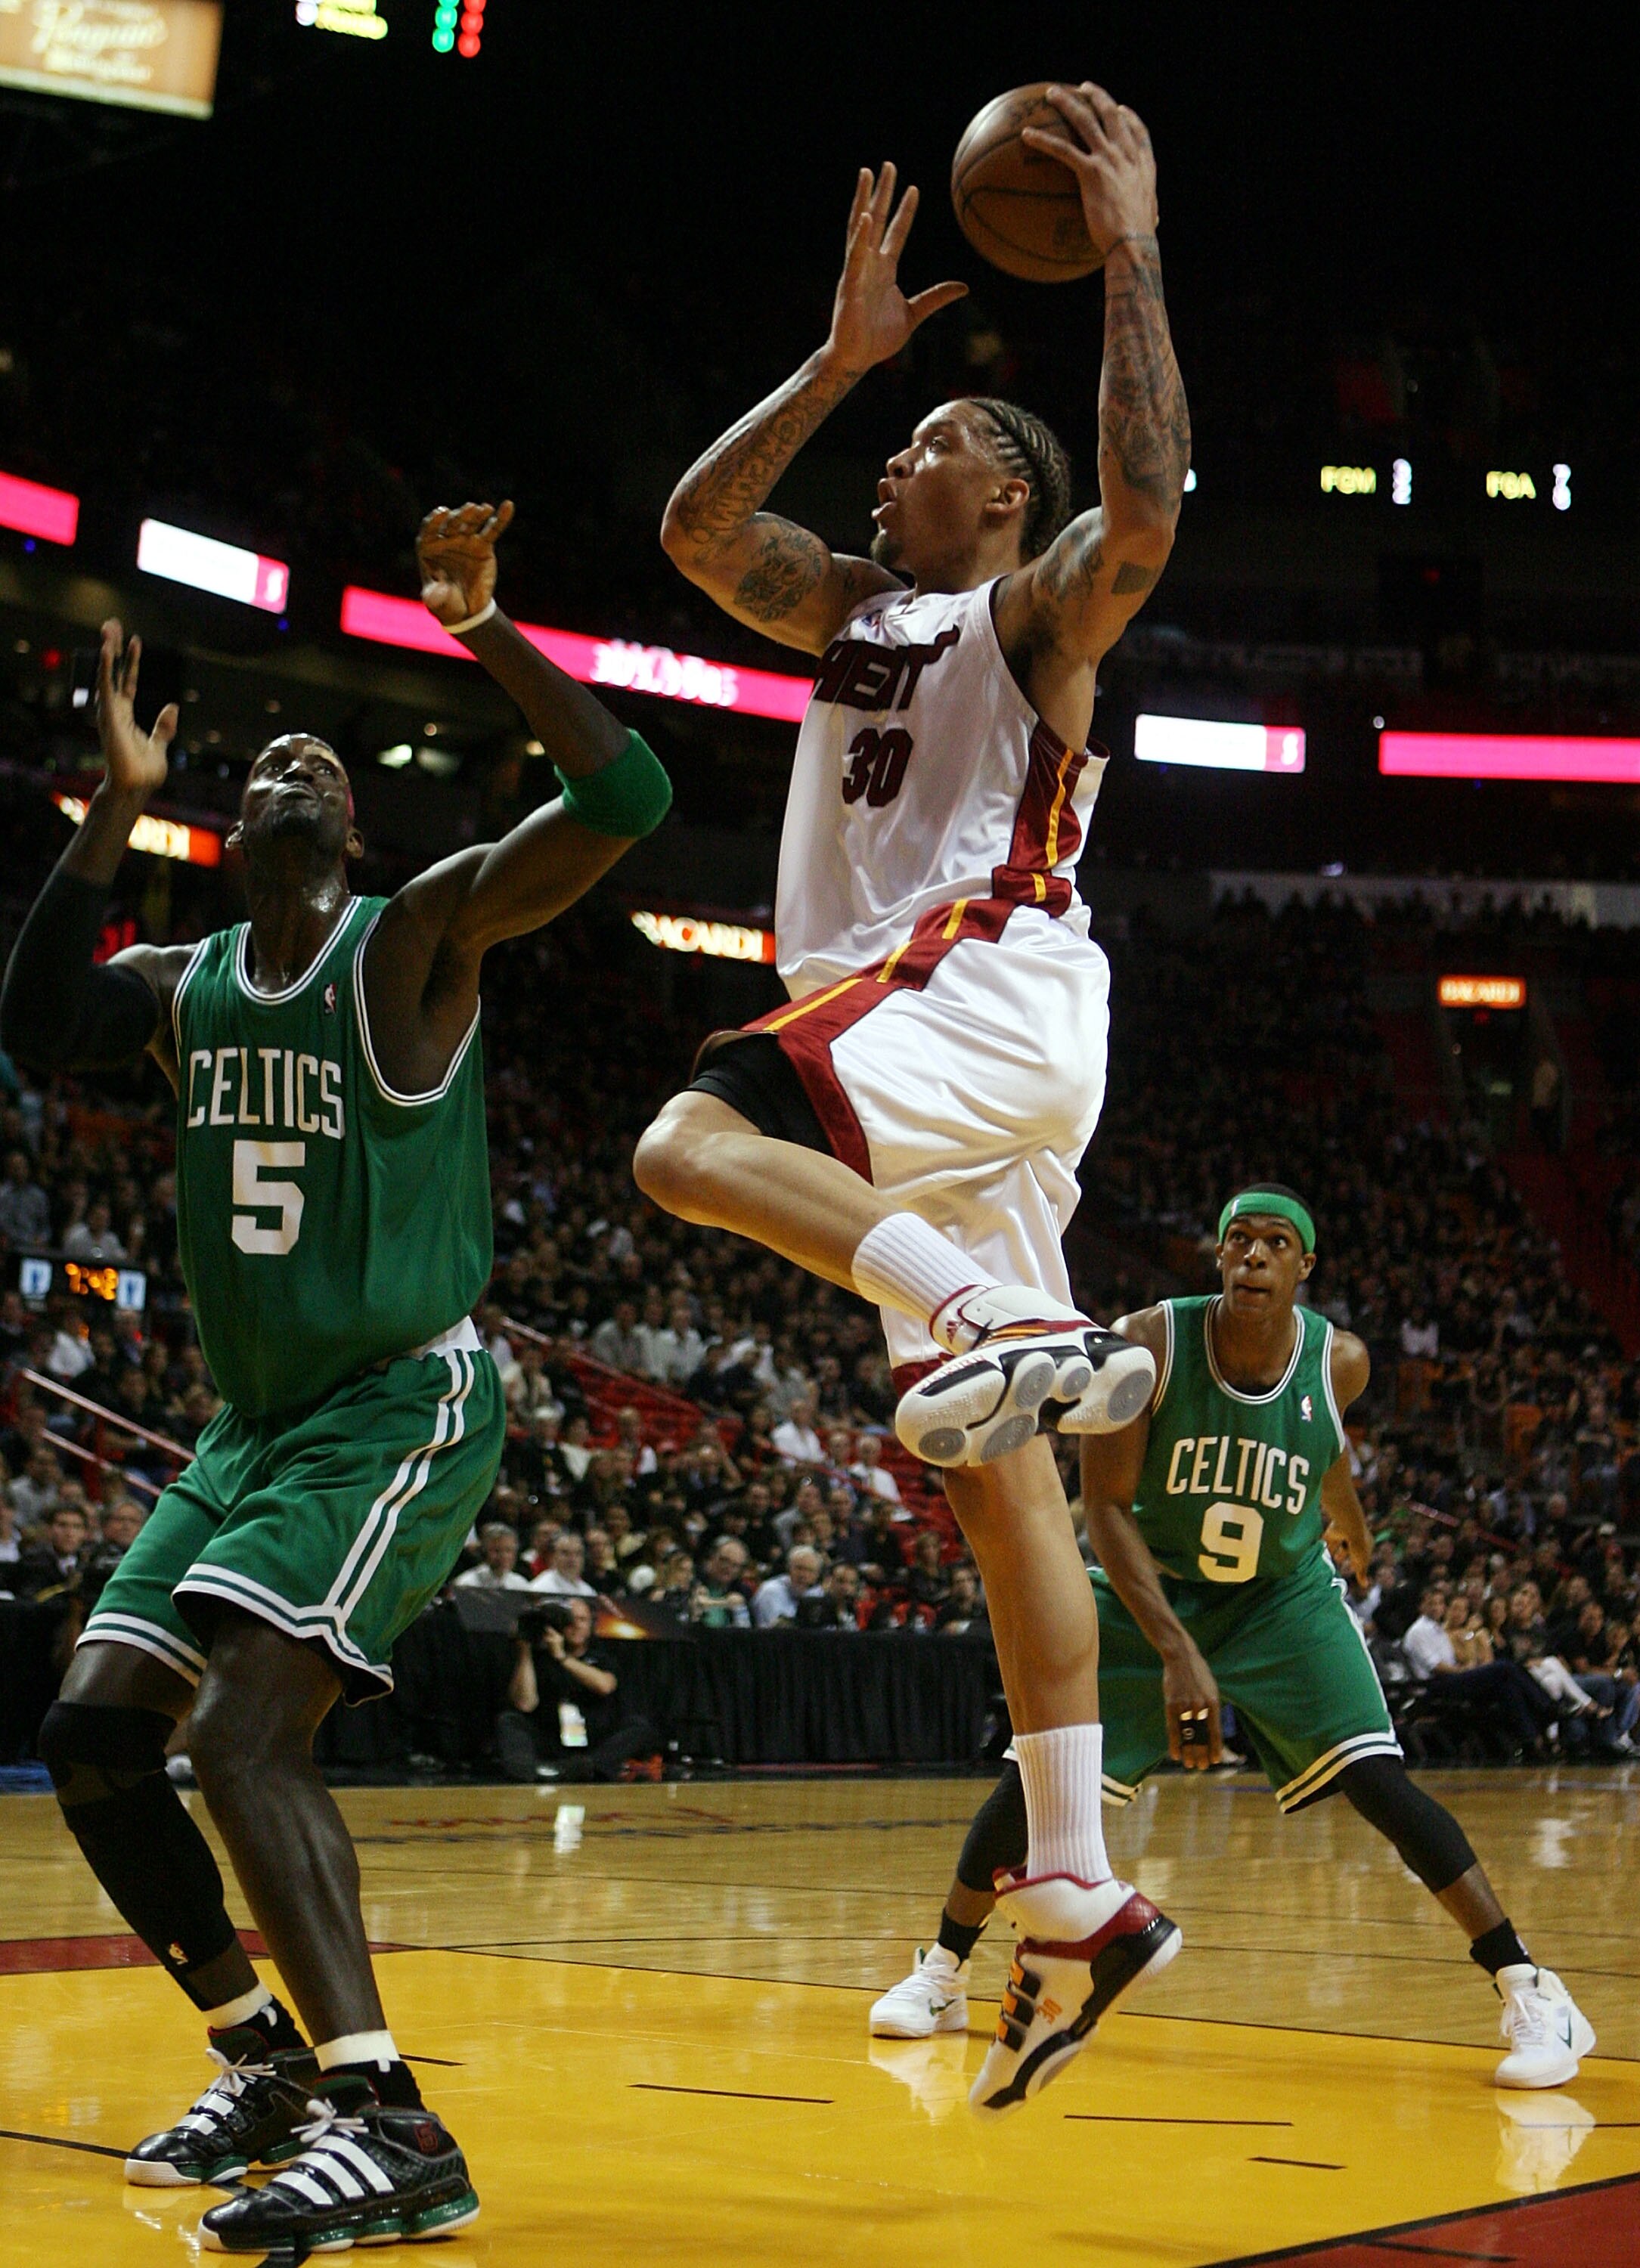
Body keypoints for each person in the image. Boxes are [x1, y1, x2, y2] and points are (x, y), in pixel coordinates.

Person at [4, 499, 671, 2254]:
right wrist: (110, 807)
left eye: (320, 753)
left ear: (353, 820)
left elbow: (629, 804)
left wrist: (487, 631)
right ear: (230, 830)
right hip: (249, 1430)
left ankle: (392, 2120)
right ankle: (264, 2060)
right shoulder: (182, 982)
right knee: (89, 1734)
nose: (288, 761)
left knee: (240, 1737)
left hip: (394, 1399)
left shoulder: (415, 936)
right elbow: (28, 1026)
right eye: (260, 759)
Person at [633, 84, 1188, 2112]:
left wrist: (1127, 252)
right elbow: (695, 530)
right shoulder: (847, 610)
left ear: (1005, 506)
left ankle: (1005, 1321)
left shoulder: (1024, 612)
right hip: (956, 1043)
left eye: (939, 438)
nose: (902, 455)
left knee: (689, 1141)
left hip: (980, 973)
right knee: (994, 1486)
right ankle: (1078, 1878)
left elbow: (1145, 519)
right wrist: (838, 358)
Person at [870, 1188, 1596, 2096]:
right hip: (1154, 1588)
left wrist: (1351, 1522)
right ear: (1217, 1258)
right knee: (1034, 1784)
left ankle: (1531, 1987)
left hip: (1281, 1599)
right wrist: (1178, 1652)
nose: (1253, 1256)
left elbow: (1324, 1448)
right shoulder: (1151, 1343)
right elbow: (1104, 1508)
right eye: (1238, 1241)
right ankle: (943, 1973)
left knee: (1379, 1783)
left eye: (1276, 1243)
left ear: (1305, 1268)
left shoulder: (1343, 1362)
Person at [498, 1597, 658, 1783]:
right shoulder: (540, 1657)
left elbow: (604, 1686)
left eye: (583, 1620)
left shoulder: (601, 1658)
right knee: (509, 1720)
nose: (576, 1625)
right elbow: (525, 1704)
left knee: (639, 1726)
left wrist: (563, 1658)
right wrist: (525, 1651)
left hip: (594, 1740)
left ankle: (589, 1767)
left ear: (591, 1625)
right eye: (570, 1620)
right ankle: (528, 1772)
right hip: (552, 1737)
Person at [454, 1521, 532, 1592]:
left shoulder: (520, 1584)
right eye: (497, 1551)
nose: (503, 1556)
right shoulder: (467, 1583)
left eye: (508, 1550)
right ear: (484, 1552)